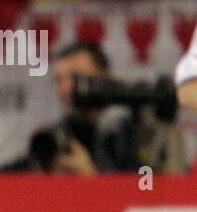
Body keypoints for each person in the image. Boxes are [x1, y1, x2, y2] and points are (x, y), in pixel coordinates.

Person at [26, 41, 139, 175]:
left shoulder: (132, 132)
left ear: (105, 75)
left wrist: (91, 179)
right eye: (58, 80)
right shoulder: (58, 138)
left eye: (75, 77)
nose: (65, 88)